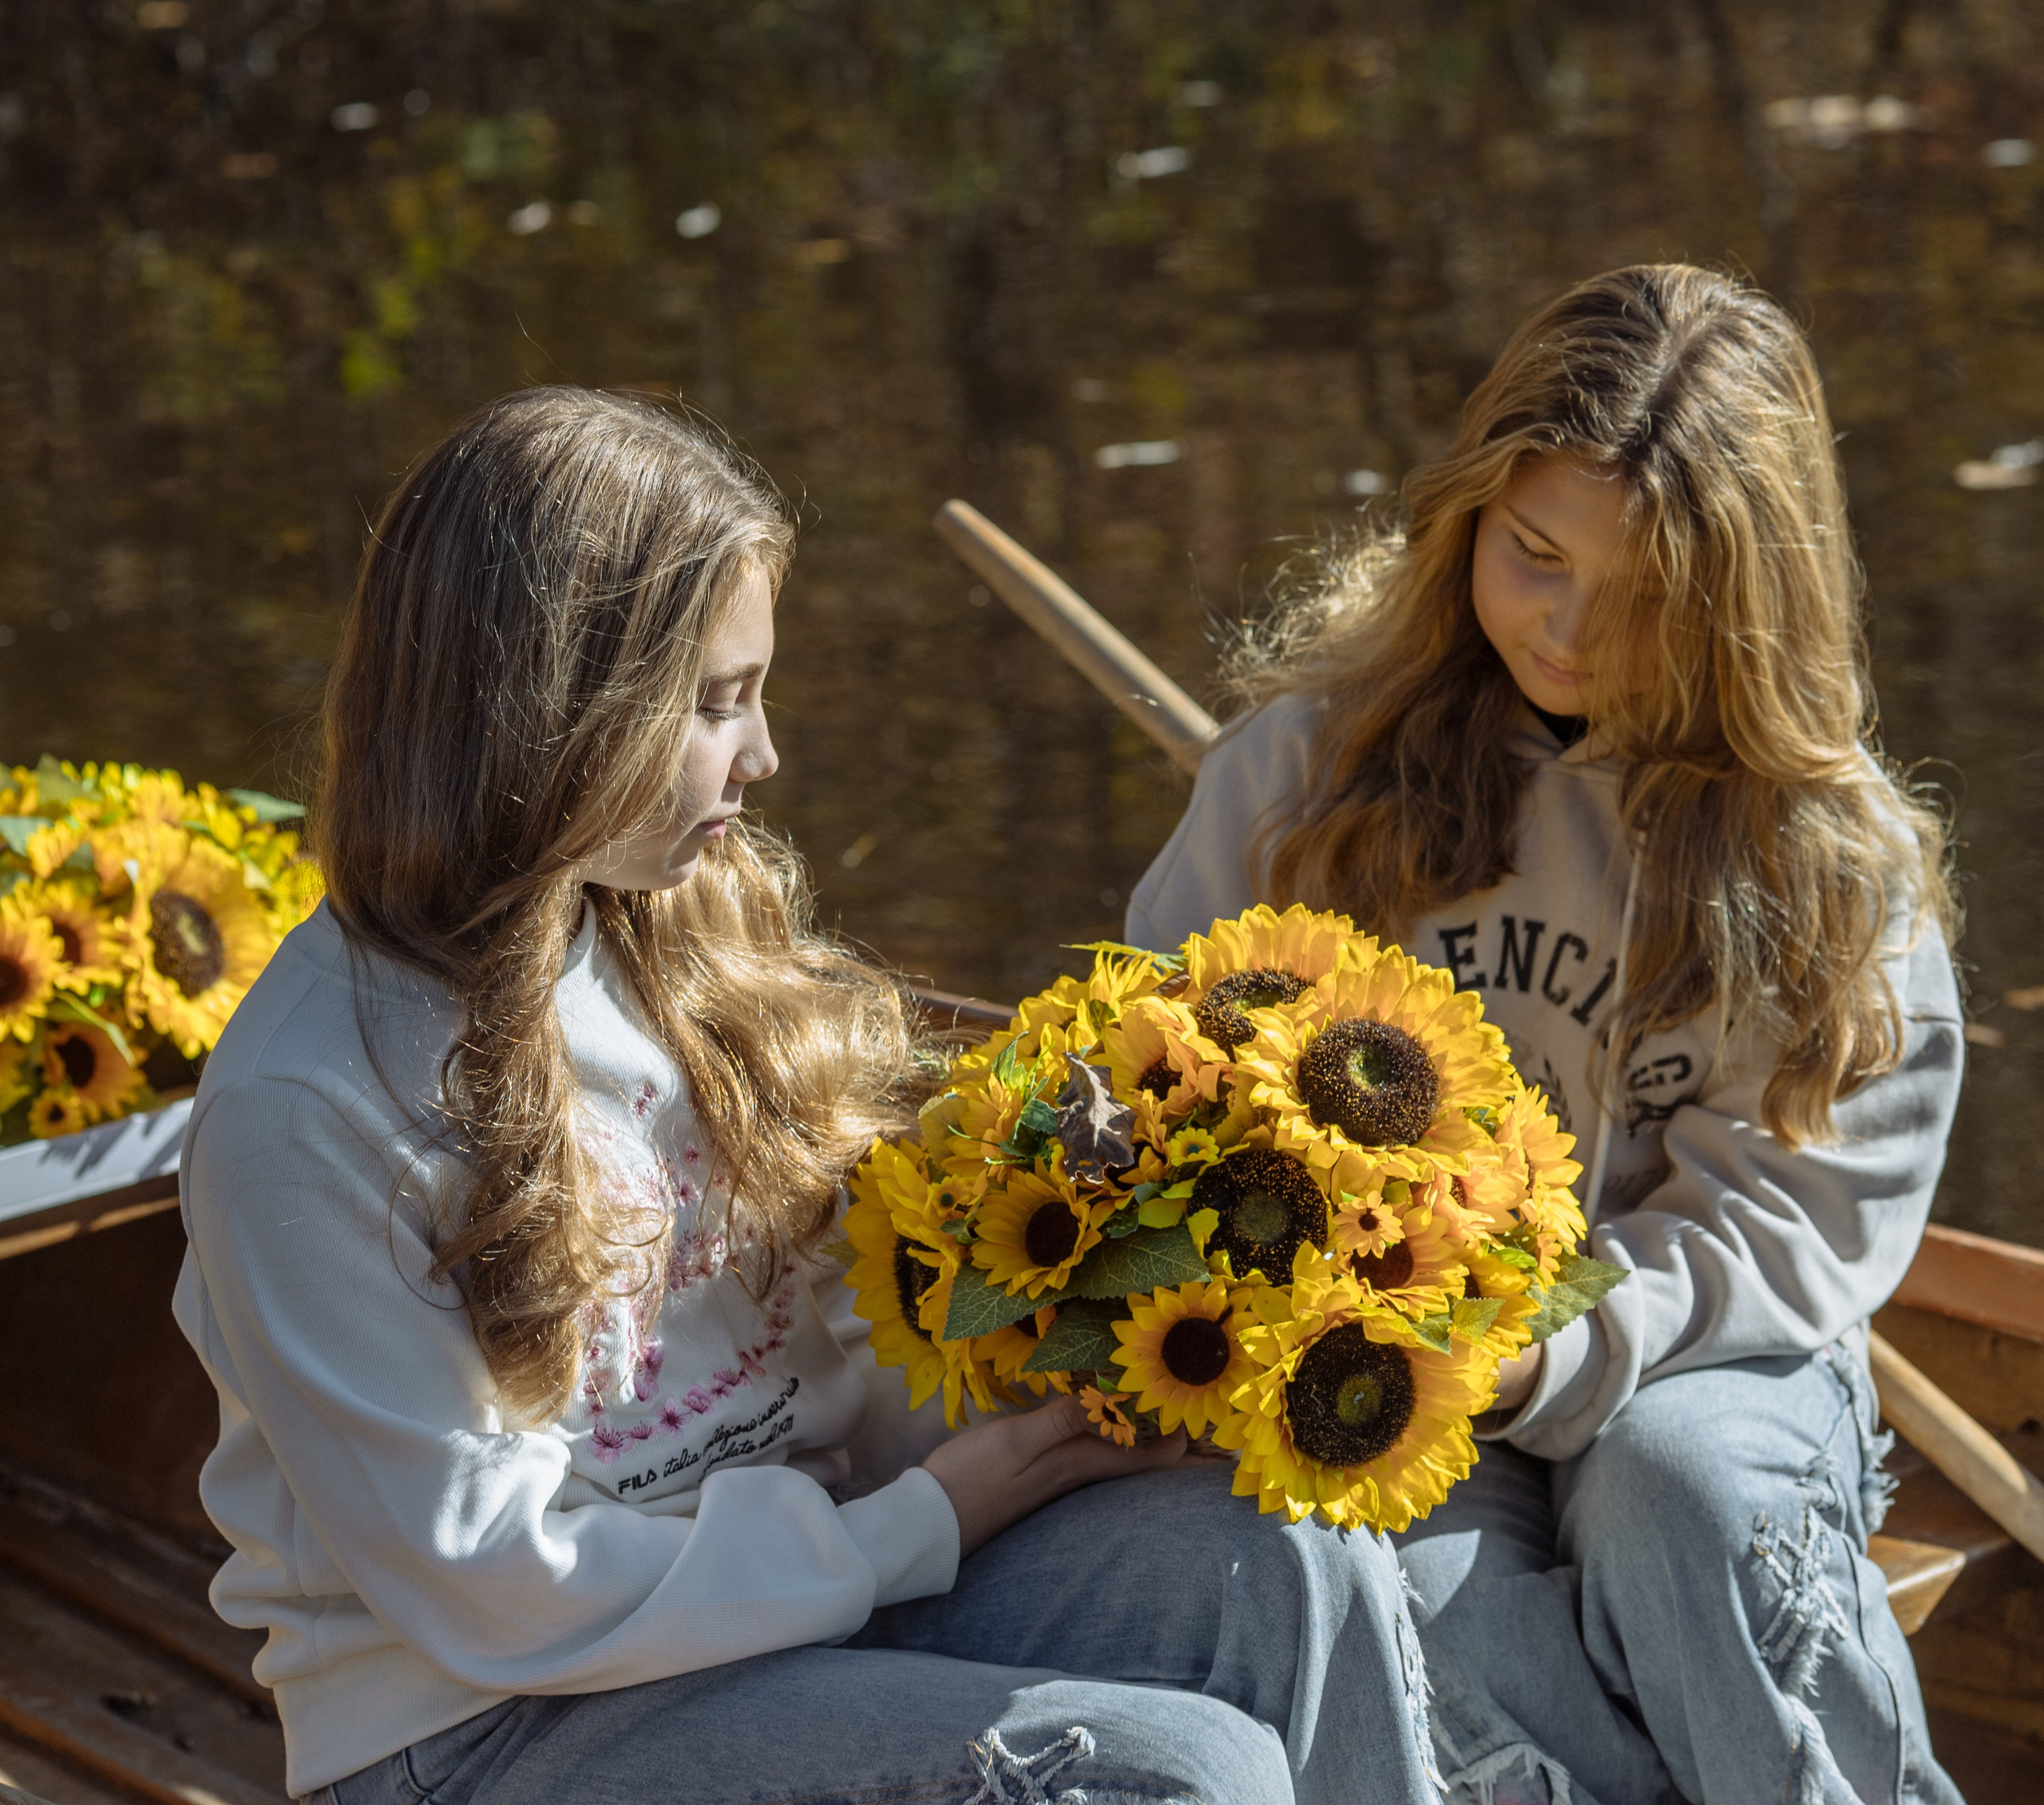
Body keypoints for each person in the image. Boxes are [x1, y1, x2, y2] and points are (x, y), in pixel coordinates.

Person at [172, 387, 1442, 1805]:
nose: (765, 753)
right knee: (1185, 1776)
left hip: (805, 1585)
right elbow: (494, 1585)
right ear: (553, 715)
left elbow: (826, 1343)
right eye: (719, 702)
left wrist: (1054, 1390)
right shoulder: (306, 1103)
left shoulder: (669, 922)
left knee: (1289, 1568)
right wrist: (920, 1524)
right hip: (484, 1725)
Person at [1126, 266, 1964, 1805]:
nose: (1569, 631)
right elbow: (1163, 1078)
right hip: (1388, 1363)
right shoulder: (1305, 776)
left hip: (1705, 1355)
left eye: (1645, 600)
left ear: (1744, 601)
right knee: (1394, 1585)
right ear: (1467, 514)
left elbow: (1791, 1214)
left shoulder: (1823, 859)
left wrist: (1547, 1345)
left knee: (1684, 1496)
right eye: (1533, 555)